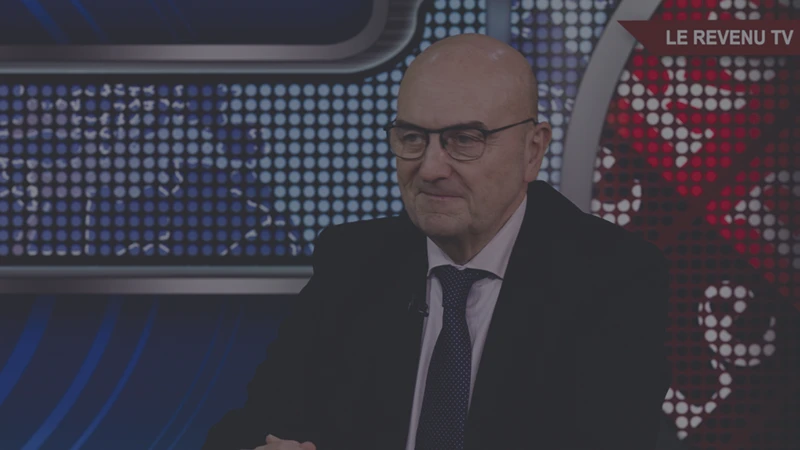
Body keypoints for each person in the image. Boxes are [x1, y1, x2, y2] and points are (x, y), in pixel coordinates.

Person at [203, 33, 671, 450]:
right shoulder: (353, 262)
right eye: (412, 137)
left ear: (533, 150)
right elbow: (250, 426)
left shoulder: (614, 277)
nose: (429, 169)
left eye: (464, 139)